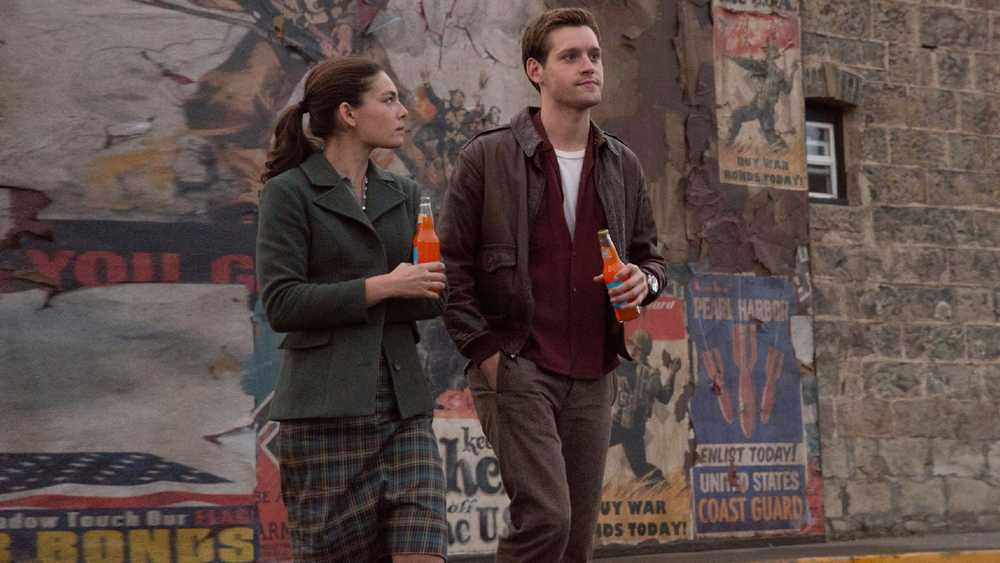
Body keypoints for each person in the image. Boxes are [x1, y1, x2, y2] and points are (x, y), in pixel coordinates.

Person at [439, 8, 666, 562]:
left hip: (593, 371)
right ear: (536, 71)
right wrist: (486, 353)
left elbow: (652, 260)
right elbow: (451, 268)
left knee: (575, 540)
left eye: (595, 55)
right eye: (571, 56)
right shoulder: (487, 157)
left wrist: (645, 282)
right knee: (546, 517)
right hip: (519, 363)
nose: (589, 66)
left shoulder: (622, 164)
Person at [256, 56, 448, 563]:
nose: (403, 111)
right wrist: (383, 287)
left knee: (424, 550)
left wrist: (429, 284)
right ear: (348, 113)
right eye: (388, 100)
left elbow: (435, 295)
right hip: (324, 413)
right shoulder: (288, 193)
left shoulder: (406, 194)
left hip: (403, 409)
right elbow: (282, 302)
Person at [609, 331, 681, 484]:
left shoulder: (624, 366)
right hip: (635, 428)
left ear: (637, 349)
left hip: (620, 425)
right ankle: (662, 484)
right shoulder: (652, 374)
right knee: (640, 468)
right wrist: (672, 373)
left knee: (592, 446)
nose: (628, 347)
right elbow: (665, 397)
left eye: (631, 345)